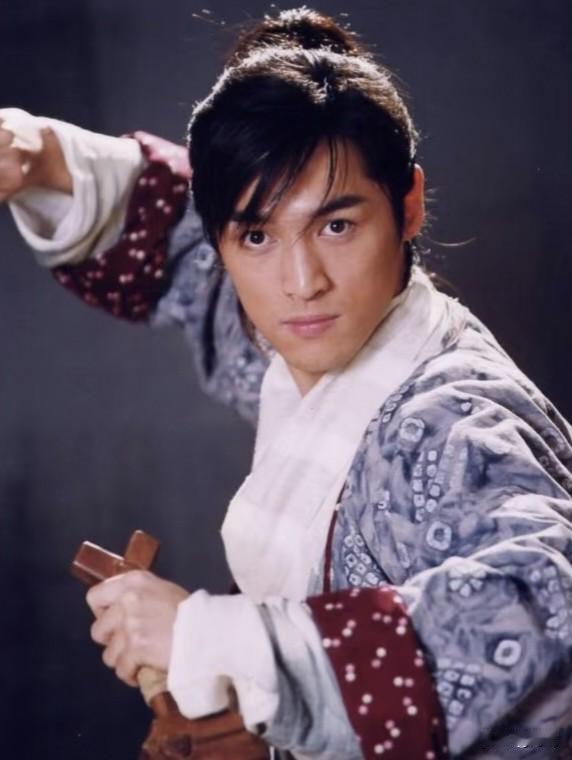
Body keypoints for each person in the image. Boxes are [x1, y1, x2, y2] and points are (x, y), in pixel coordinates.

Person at [2, 8, 572, 759]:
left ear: (408, 205)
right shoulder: (304, 343)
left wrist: (207, 639)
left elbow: (546, 595)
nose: (301, 281)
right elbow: (183, 240)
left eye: (337, 226)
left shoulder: (447, 419)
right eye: (257, 237)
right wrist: (40, 158)